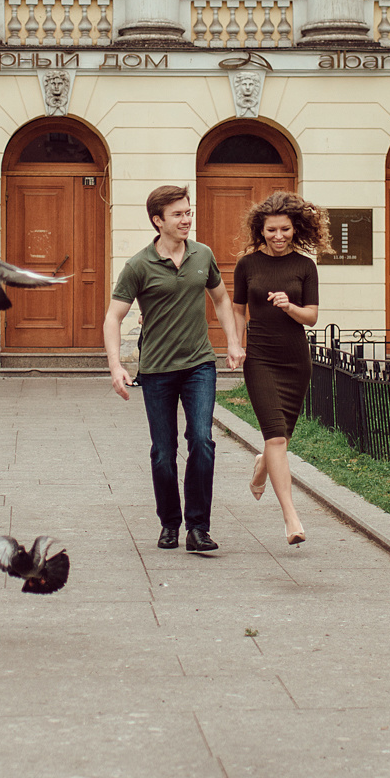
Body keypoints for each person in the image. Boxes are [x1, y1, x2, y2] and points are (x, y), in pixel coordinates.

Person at [106, 184, 242, 554]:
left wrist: (232, 342)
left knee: (202, 440)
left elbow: (221, 299)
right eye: (178, 214)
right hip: (157, 370)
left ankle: (198, 528)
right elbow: (113, 317)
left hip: (200, 364)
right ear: (158, 220)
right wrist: (116, 366)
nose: (186, 219)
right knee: (163, 452)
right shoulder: (138, 265)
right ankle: (169, 523)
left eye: (188, 212)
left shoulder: (203, 254)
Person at [231, 191, 321, 545]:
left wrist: (289, 306)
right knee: (277, 438)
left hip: (296, 360)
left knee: (281, 438)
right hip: (261, 359)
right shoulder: (247, 265)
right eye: (271, 230)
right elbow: (238, 310)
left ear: (294, 228)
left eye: (284, 229)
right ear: (261, 230)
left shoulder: (305, 266)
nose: (278, 236)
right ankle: (291, 518)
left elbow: (311, 317)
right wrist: (236, 344)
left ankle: (262, 465)